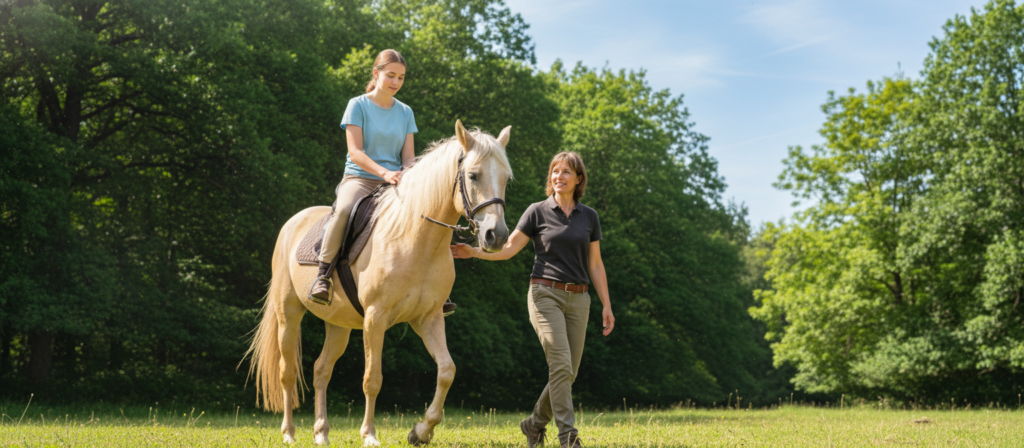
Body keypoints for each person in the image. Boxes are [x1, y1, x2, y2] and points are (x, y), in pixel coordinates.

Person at [450, 151, 614, 448]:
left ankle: (534, 424)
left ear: (579, 179)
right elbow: (510, 248)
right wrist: (474, 251)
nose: (559, 176)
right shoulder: (537, 211)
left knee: (568, 372)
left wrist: (606, 304)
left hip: (579, 299)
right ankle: (568, 437)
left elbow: (596, 264)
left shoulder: (589, 216)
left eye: (566, 172)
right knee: (561, 367)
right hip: (544, 294)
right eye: (555, 171)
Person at [312, 49, 455, 315]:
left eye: (401, 77)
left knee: (429, 217)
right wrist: (384, 173)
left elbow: (409, 158)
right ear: (376, 73)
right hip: (360, 178)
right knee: (343, 211)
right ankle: (322, 275)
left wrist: (413, 180)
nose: (396, 82)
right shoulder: (358, 105)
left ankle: (439, 290)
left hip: (395, 183)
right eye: (391, 75)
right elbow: (355, 151)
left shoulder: (405, 112)